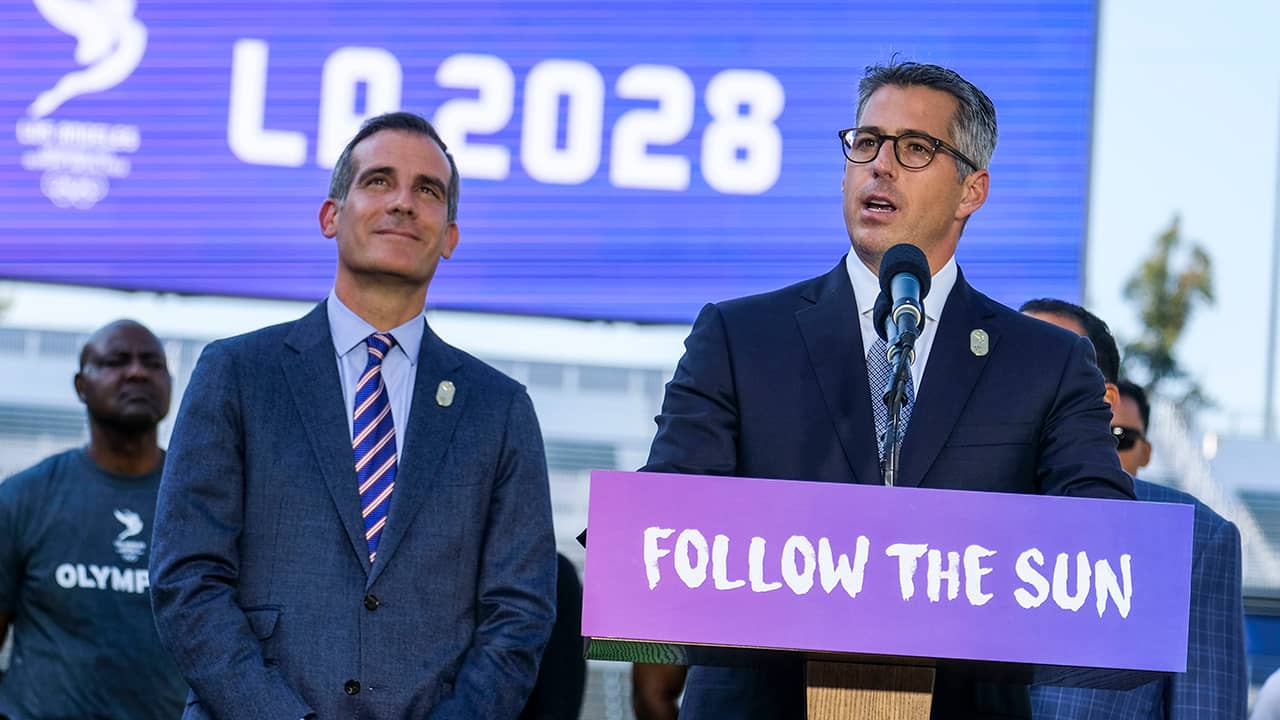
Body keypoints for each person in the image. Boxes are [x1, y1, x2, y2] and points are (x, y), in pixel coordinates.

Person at [639, 60, 1134, 720]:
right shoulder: (738, 337)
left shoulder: (1046, 364)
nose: (880, 165)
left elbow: (1100, 543)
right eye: (866, 143)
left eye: (915, 148)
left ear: (971, 191)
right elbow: (661, 538)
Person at [149, 112, 557, 719]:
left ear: (449, 236)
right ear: (330, 215)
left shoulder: (500, 410)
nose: (403, 203)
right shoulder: (236, 373)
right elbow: (187, 580)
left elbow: (519, 613)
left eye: (428, 190)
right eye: (378, 181)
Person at [1020, 298, 1247, 719]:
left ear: (1104, 400)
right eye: (1002, 366)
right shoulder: (944, 517)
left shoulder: (1191, 539)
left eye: (1038, 365)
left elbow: (1205, 707)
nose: (1014, 384)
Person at [0, 319, 187, 719]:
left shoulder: (204, 502)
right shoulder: (23, 498)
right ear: (81, 385)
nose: (137, 372)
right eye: (116, 361)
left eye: (153, 363)